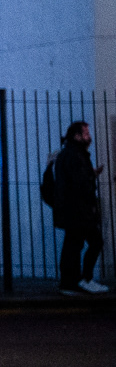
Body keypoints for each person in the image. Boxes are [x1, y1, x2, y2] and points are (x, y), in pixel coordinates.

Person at [52, 121, 108, 295]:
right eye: (85, 133)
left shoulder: (71, 154)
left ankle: (71, 282)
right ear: (76, 135)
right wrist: (91, 176)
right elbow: (79, 183)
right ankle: (82, 280)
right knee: (91, 242)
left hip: (73, 209)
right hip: (78, 210)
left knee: (73, 245)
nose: (88, 136)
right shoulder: (74, 155)